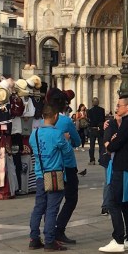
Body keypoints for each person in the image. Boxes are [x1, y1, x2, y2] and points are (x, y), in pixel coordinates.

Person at [29, 103, 75, 251]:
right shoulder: (57, 134)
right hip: (54, 175)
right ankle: (49, 239)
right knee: (52, 208)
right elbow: (67, 152)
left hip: (39, 175)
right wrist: (66, 139)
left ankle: (34, 238)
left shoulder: (34, 134)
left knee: (39, 206)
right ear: (55, 116)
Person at [101, 95, 128, 253]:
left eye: (119, 105)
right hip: (127, 166)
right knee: (125, 204)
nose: (116, 108)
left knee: (113, 202)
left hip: (122, 166)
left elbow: (115, 144)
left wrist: (110, 144)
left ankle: (118, 239)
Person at [50, 92, 82, 245]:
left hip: (48, 165)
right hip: (67, 164)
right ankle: (59, 229)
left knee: (50, 200)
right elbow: (77, 141)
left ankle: (45, 232)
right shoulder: (66, 121)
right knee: (71, 198)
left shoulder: (42, 121)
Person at [85, 96, 106, 163]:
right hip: (100, 129)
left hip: (93, 129)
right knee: (101, 145)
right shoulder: (102, 110)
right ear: (98, 103)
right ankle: (101, 159)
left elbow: (89, 120)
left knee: (92, 146)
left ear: (92, 103)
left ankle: (92, 160)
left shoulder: (90, 111)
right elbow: (103, 119)